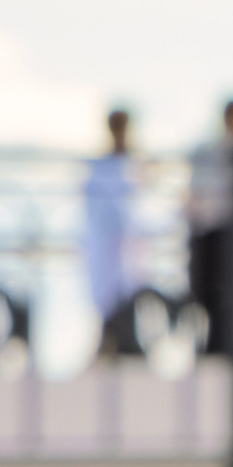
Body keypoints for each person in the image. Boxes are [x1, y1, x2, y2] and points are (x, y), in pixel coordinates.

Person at [185, 98, 233, 361]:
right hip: (212, 239)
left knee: (229, 307)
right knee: (212, 302)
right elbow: (201, 203)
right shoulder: (210, 154)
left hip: (230, 239)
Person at [83, 108, 142, 360]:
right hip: (106, 244)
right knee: (107, 292)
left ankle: (127, 340)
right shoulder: (101, 166)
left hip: (132, 246)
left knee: (128, 291)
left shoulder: (135, 164)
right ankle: (110, 339)